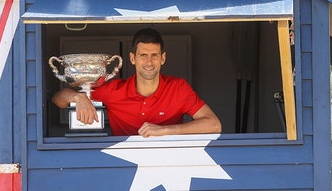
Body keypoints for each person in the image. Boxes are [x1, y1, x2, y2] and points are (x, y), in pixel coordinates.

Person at [51, 28, 221, 137]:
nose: (149, 62)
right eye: (143, 55)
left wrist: (166, 130)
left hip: (169, 163)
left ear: (163, 58)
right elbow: (58, 99)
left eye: (154, 55)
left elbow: (214, 125)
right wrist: (78, 98)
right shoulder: (114, 90)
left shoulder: (178, 88)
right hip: (124, 167)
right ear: (133, 58)